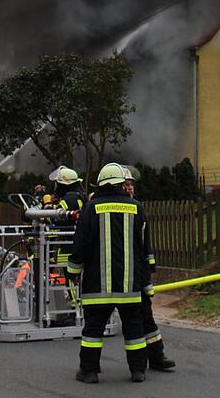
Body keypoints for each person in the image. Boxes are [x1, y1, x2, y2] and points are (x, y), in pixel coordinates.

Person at [66, 162, 149, 384]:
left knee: (93, 330)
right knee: (134, 329)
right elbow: (144, 246)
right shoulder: (136, 207)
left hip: (97, 285)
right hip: (130, 285)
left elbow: (80, 244)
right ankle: (138, 371)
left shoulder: (90, 209)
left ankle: (89, 371)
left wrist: (72, 271)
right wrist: (145, 277)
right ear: (121, 184)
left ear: (101, 185)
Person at [122, 166, 176, 372]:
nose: (129, 188)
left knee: (146, 316)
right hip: (121, 274)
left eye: (131, 185)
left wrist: (149, 266)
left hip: (137, 273)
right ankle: (91, 364)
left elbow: (145, 244)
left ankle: (156, 356)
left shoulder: (137, 208)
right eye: (125, 185)